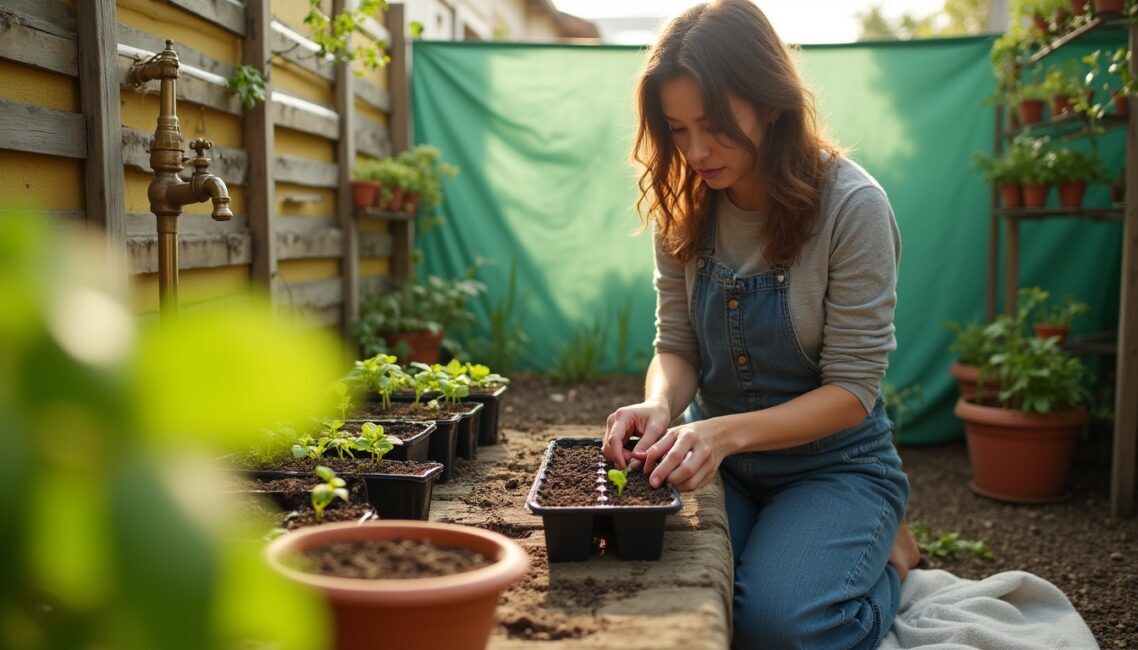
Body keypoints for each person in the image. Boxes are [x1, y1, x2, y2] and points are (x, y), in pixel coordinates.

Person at [600, 1, 920, 648]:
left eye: (714, 126)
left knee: (778, 627)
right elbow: (677, 345)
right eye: (677, 128)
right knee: (657, 585)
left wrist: (721, 435)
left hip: (834, 466)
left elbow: (853, 393)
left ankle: (892, 559)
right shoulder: (684, 205)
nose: (695, 151)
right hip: (722, 465)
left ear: (770, 103)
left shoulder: (853, 210)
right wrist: (658, 404)